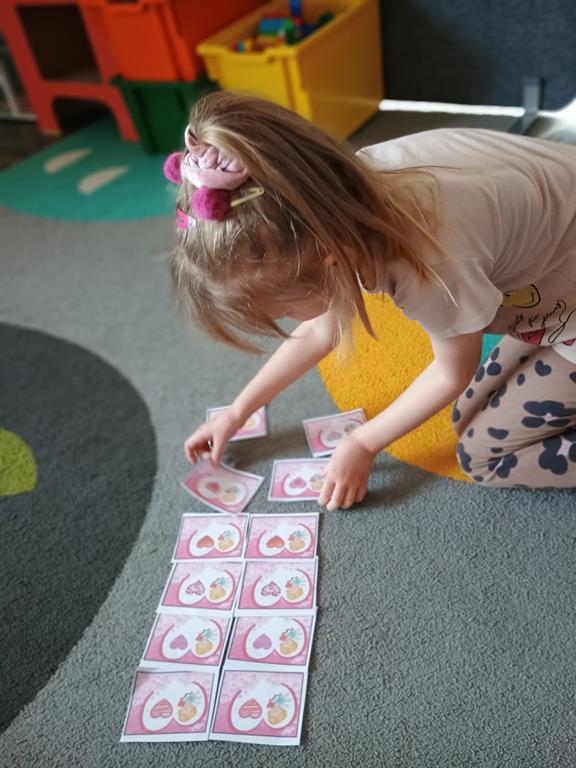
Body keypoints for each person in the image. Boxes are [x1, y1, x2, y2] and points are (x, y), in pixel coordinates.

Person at [164, 91, 576, 508]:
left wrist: (363, 443)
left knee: (483, 457)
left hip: (564, 299)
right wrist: (238, 411)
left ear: (330, 263)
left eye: (286, 310)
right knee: (470, 414)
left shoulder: (433, 269)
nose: (291, 318)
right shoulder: (336, 195)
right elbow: (321, 330)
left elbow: (451, 374)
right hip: (557, 258)